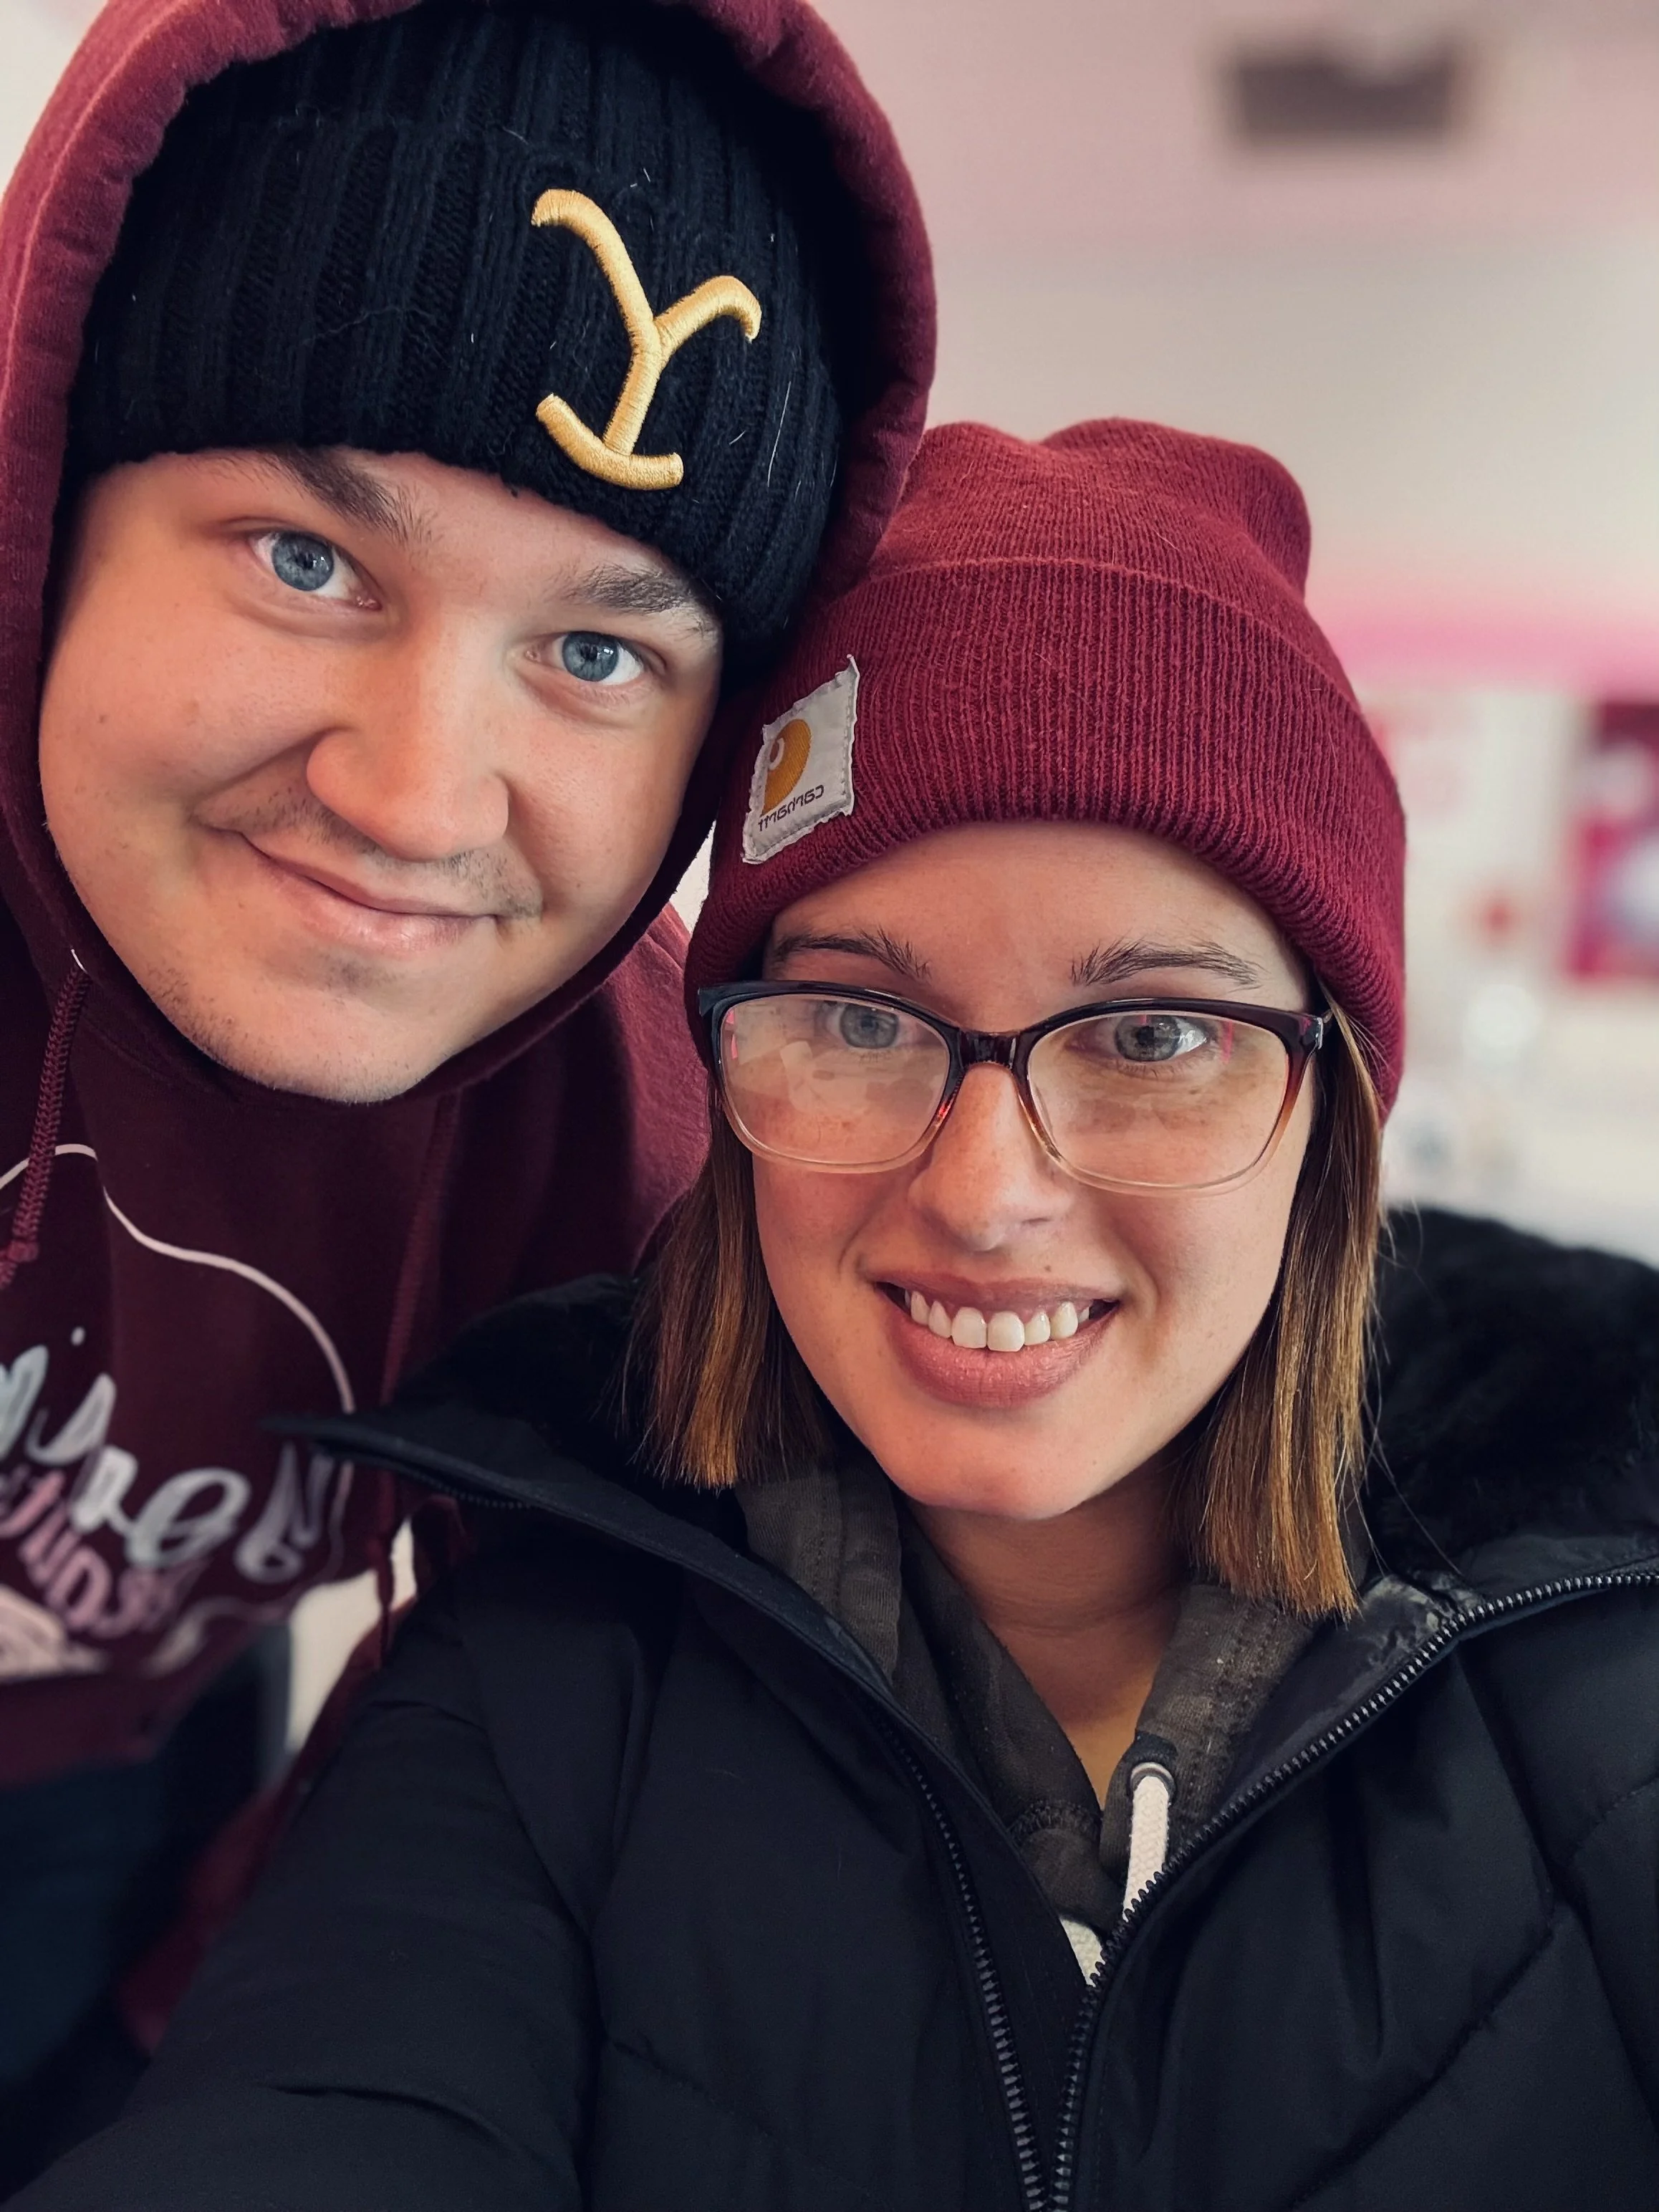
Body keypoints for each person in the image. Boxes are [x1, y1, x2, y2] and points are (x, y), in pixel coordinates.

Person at [21, 420, 1659, 2212]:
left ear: (1326, 1113)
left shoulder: (1610, 1681)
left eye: (1155, 1035)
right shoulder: (532, 1685)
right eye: (861, 1021)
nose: (984, 1191)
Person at [0, 0, 931, 2178]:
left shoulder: (634, 1171)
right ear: (43, 514)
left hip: (122, 1791)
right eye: (305, 559)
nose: (414, 800)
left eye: (596, 652)